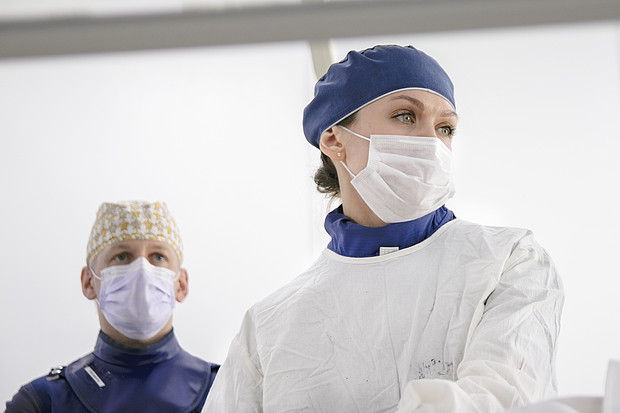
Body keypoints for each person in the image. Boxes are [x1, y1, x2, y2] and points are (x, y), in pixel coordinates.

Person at [203, 45, 563, 412]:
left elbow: (500, 400)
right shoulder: (269, 325)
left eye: (445, 128)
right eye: (406, 116)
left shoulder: (507, 260)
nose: (432, 142)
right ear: (334, 139)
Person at [5, 201, 219, 413]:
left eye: (158, 257)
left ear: (181, 284)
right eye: (122, 256)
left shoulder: (222, 390)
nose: (142, 271)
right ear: (89, 282)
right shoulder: (43, 402)